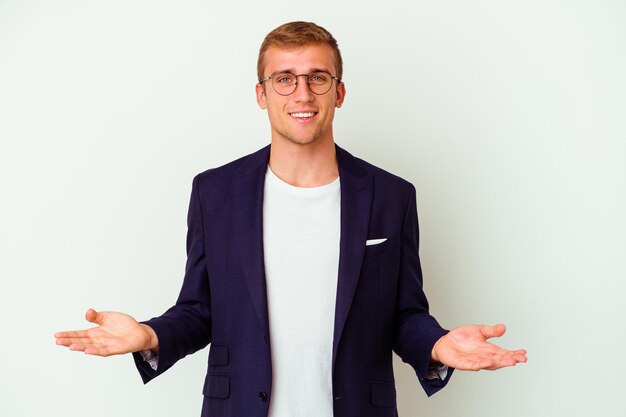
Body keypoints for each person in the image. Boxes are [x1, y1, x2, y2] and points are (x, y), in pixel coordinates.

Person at [55, 21, 527, 417]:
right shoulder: (215, 192)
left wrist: (438, 344)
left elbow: (403, 314)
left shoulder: (391, 195)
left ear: (338, 92)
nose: (302, 92)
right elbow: (201, 311)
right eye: (284, 78)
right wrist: (149, 334)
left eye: (317, 77)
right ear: (261, 94)